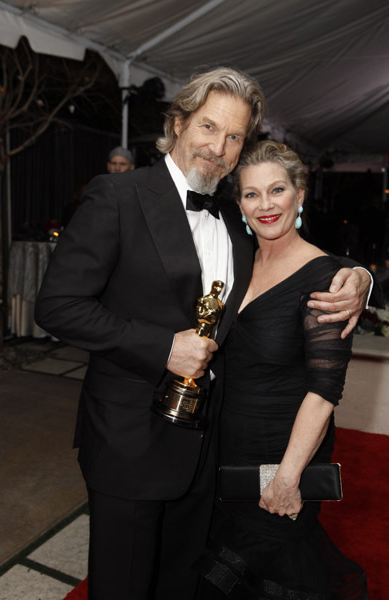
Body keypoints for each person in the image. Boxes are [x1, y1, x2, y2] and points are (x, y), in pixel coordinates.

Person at [34, 68, 371, 600]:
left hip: (208, 455)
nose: (219, 147)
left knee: (181, 587)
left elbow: (289, 256)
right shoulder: (118, 196)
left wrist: (360, 276)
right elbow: (56, 306)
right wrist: (163, 347)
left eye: (234, 136)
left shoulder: (236, 222)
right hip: (130, 447)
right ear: (179, 123)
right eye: (210, 127)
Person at [195, 141, 368, 599]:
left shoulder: (324, 278)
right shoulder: (237, 259)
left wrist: (288, 477)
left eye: (277, 190)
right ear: (239, 205)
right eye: (252, 195)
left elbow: (325, 389)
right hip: (226, 452)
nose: (265, 204)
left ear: (300, 194)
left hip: (282, 456)